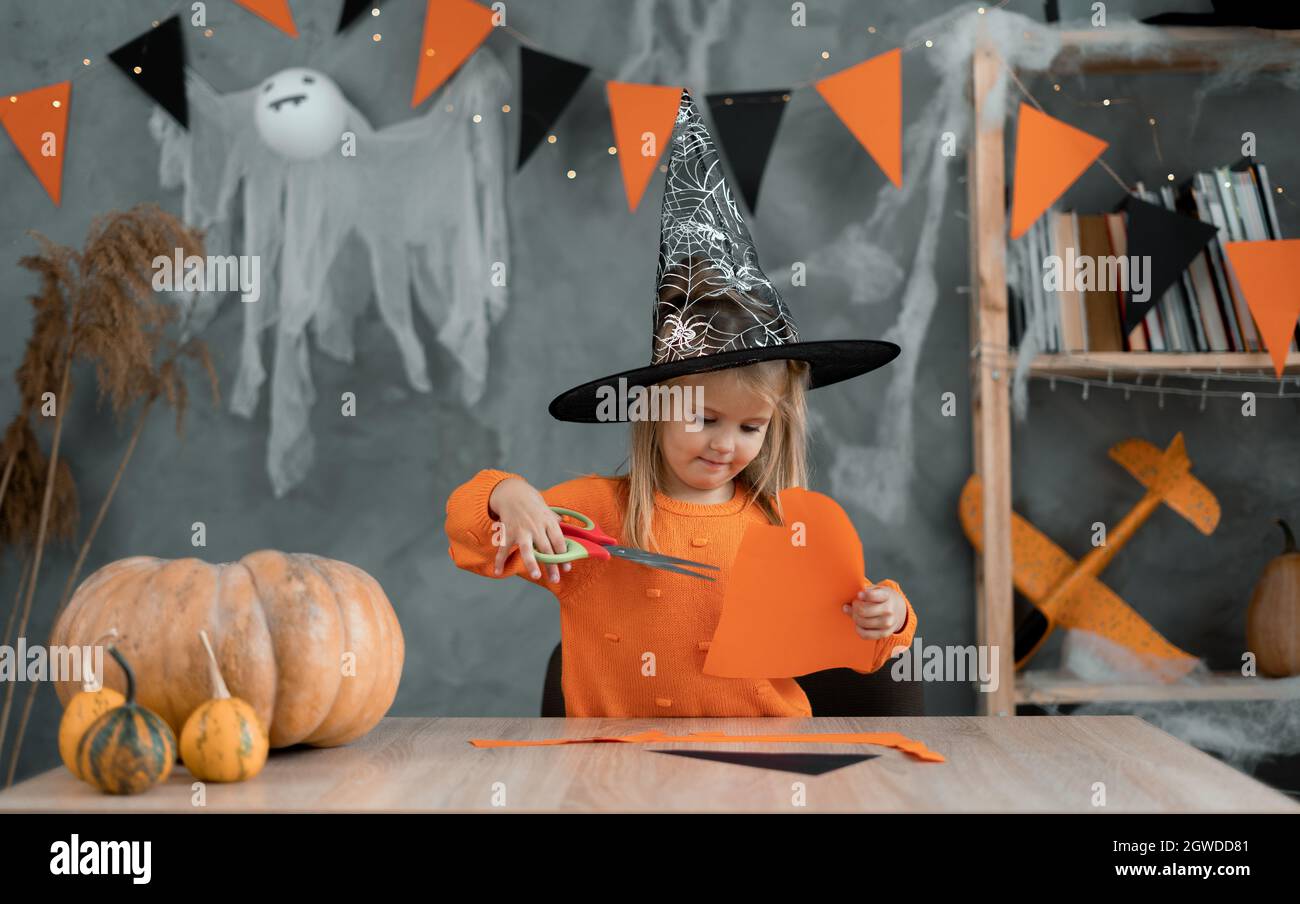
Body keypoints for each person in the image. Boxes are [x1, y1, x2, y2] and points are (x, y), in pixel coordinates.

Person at [444, 89, 914, 717]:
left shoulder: (786, 529)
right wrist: (510, 496)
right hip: (615, 772)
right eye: (704, 418)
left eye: (751, 426)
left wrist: (892, 614)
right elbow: (471, 533)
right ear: (654, 410)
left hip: (767, 768)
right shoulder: (595, 516)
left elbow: (865, 639)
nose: (727, 443)